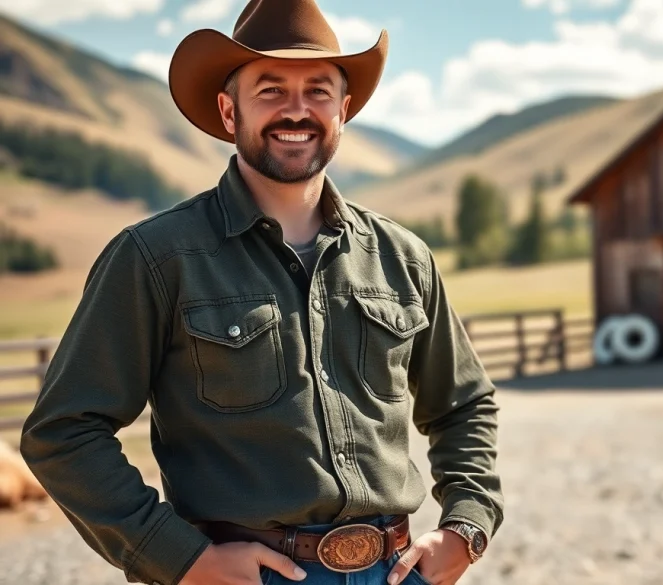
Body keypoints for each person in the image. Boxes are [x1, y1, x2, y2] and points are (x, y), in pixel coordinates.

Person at [18, 1, 503, 584]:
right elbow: (63, 431)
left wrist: (466, 526)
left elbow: (464, 404)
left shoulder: (403, 258)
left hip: (395, 572)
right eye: (270, 90)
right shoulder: (156, 258)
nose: (297, 110)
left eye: (318, 90)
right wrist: (178, 556)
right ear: (229, 111)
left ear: (344, 110)